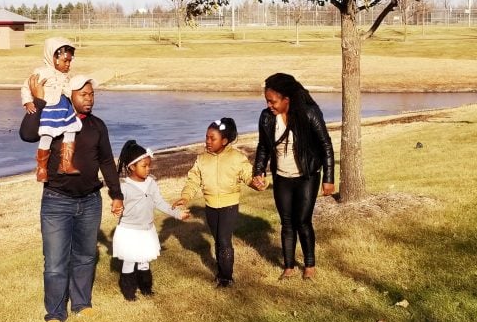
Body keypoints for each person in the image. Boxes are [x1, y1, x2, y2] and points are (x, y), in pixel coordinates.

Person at [21, 73, 124, 322]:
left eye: (91, 95)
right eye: (83, 95)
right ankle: (55, 314)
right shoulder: (55, 119)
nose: (89, 99)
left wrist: (116, 193)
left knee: (85, 256)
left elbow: (107, 161)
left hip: (90, 201)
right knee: (55, 262)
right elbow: (27, 134)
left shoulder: (97, 126)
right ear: (70, 95)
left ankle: (81, 304)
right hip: (57, 201)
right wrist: (39, 102)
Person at [250, 73, 335, 280]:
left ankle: (309, 265)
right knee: (286, 222)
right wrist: (258, 171)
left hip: (307, 176)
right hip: (281, 178)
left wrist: (328, 178)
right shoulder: (267, 117)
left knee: (303, 221)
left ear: (286, 99)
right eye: (267, 101)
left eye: (273, 101)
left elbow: (326, 145)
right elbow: (263, 146)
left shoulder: (309, 113)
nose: (269, 105)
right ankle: (288, 266)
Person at [172, 118, 256, 288]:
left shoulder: (237, 157)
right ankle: (221, 272)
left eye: (212, 138)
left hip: (229, 206)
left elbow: (248, 176)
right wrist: (185, 196)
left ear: (224, 141)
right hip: (210, 206)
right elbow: (193, 180)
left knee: (224, 240)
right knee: (218, 240)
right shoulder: (202, 159)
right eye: (206, 137)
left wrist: (257, 183)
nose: (207, 141)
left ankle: (226, 278)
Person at [112, 140, 191, 301]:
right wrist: (117, 208)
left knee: (144, 260)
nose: (148, 169)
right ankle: (129, 293)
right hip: (130, 231)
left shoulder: (151, 183)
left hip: (147, 230)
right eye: (144, 166)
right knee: (130, 260)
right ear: (132, 167)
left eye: (149, 165)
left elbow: (160, 202)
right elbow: (117, 204)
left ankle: (146, 288)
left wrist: (177, 214)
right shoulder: (124, 187)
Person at [22, 37, 84, 181]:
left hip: (65, 109)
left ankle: (66, 163)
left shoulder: (65, 76)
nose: (68, 64)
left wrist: (76, 106)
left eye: (70, 61)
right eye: (65, 61)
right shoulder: (41, 72)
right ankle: (42, 169)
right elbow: (26, 87)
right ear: (54, 58)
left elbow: (70, 92)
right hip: (49, 110)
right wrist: (28, 102)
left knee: (71, 131)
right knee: (46, 135)